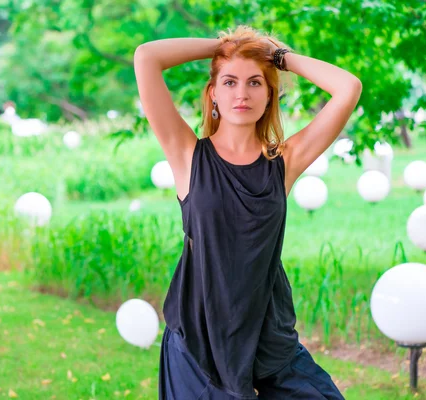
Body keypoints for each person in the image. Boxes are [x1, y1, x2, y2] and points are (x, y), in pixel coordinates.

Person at [134, 25, 362, 399]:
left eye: (255, 82)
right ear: (213, 94)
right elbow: (147, 57)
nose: (242, 93)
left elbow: (348, 87)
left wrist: (277, 56)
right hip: (199, 340)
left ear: (270, 96)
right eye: (229, 82)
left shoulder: (284, 162)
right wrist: (226, 47)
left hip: (268, 337)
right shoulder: (187, 156)